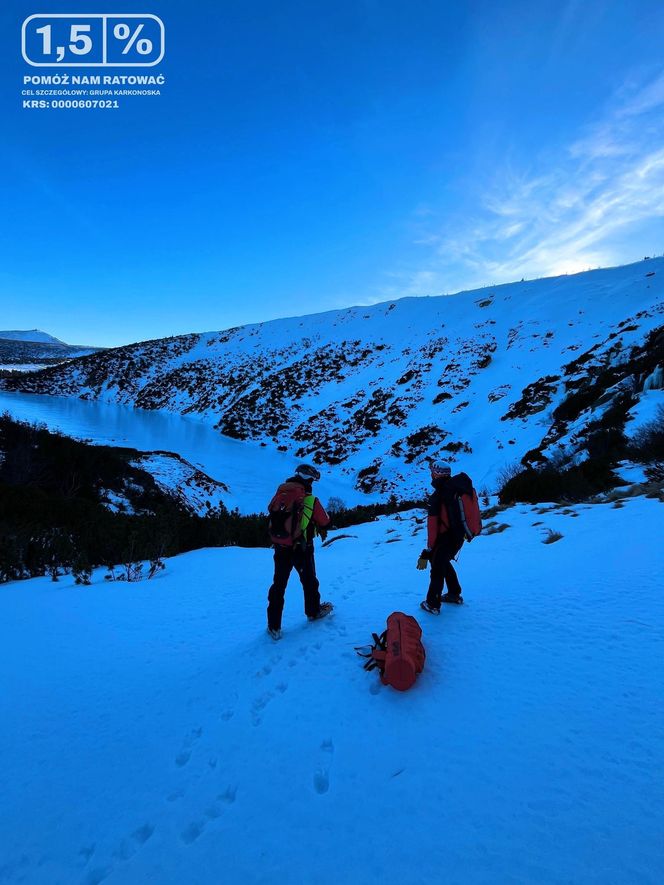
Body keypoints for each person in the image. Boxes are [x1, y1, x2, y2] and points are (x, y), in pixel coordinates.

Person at [266, 463, 333, 640]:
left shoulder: (280, 494)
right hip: (302, 548)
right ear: (308, 480)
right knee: (309, 580)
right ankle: (313, 611)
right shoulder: (310, 500)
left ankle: (274, 626)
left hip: (281, 547)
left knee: (278, 585)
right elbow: (325, 521)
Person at [417, 461, 469, 613]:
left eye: (432, 472)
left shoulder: (438, 496)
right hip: (458, 537)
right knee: (443, 562)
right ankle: (454, 593)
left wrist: (428, 550)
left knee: (437, 569)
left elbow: (432, 527)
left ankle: (432, 603)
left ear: (437, 474)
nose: (431, 475)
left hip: (444, 539)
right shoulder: (456, 489)